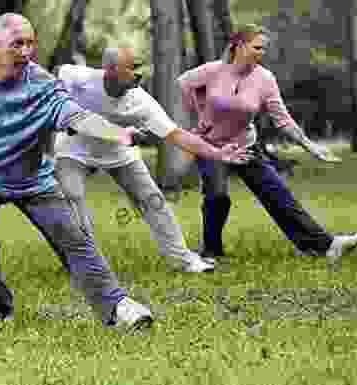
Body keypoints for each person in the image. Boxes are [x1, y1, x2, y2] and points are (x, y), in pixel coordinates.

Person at [0, 13, 158, 330]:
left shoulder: (43, 85)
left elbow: (78, 117)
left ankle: (118, 307)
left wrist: (121, 134)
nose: (26, 51)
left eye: (30, 43)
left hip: (32, 180)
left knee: (74, 239)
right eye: (16, 44)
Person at [176, 24, 357, 264]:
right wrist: (198, 110)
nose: (261, 53)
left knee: (277, 193)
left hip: (245, 146)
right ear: (239, 45)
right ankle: (211, 250)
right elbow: (183, 83)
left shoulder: (265, 79)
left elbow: (282, 120)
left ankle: (326, 245)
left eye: (264, 49)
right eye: (257, 47)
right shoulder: (213, 71)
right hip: (211, 147)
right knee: (217, 195)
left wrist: (311, 146)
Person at [52, 46, 250, 273]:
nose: (139, 73)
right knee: (71, 194)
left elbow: (176, 135)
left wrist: (217, 153)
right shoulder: (82, 78)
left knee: (153, 200)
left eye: (140, 67)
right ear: (110, 69)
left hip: (119, 152)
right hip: (74, 149)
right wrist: (63, 108)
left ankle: (183, 260)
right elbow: (57, 72)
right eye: (132, 68)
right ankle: (85, 263)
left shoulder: (141, 101)